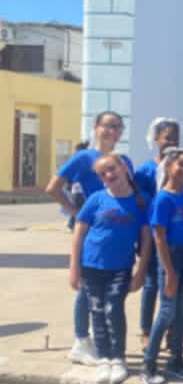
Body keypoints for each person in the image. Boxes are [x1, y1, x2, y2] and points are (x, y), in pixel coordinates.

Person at [46, 110, 133, 367]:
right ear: (96, 128)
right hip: (90, 233)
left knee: (106, 289)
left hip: (115, 233)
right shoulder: (84, 157)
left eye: (117, 126)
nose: (112, 131)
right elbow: (53, 188)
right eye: (107, 125)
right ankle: (81, 343)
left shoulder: (123, 160)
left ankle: (98, 339)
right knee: (87, 287)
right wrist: (77, 213)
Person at [68, 153, 150, 384]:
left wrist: (141, 272)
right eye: (103, 173)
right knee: (97, 312)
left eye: (112, 169)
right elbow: (79, 234)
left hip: (120, 269)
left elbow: (146, 240)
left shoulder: (141, 201)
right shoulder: (96, 199)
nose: (109, 175)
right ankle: (103, 358)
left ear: (123, 167)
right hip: (91, 266)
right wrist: (74, 268)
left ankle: (118, 358)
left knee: (114, 309)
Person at [134, 118, 183, 351]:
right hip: (154, 234)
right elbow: (137, 194)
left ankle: (172, 333)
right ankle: (146, 332)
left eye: (176, 138)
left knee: (177, 291)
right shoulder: (146, 169)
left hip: (177, 237)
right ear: (156, 139)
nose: (171, 141)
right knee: (152, 284)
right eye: (167, 137)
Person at [141, 147, 183, 384]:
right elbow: (159, 237)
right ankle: (149, 364)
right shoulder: (163, 199)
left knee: (182, 310)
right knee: (167, 311)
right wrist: (168, 272)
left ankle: (176, 360)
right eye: (181, 164)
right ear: (168, 166)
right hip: (171, 256)